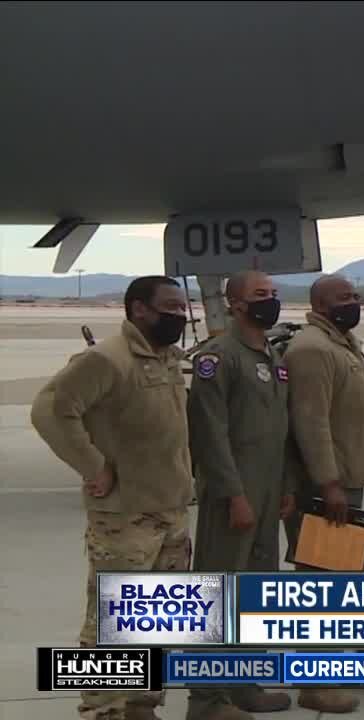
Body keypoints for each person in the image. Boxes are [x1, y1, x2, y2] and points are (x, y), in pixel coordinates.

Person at [30, 276, 193, 720]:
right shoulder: (107, 359)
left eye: (183, 306)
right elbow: (51, 409)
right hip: (125, 517)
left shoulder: (165, 358)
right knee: (113, 626)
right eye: (170, 307)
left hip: (170, 511)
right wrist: (92, 466)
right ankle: (102, 711)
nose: (180, 314)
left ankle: (142, 705)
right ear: (139, 309)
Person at [185, 271, 293, 720]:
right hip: (233, 495)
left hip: (268, 494)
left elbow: (279, 431)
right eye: (258, 296)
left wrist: (284, 489)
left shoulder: (272, 354)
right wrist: (234, 495)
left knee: (254, 592)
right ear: (234, 304)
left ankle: (244, 683)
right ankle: (206, 701)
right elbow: (210, 434)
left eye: (272, 294)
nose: (269, 302)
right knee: (217, 592)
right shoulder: (218, 357)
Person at [281, 275, 364, 714]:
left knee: (337, 584)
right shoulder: (313, 350)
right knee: (321, 587)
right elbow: (310, 422)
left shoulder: (341, 343)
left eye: (355, 296)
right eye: (343, 298)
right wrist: (329, 483)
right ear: (320, 303)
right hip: (326, 489)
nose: (352, 303)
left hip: (345, 481)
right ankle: (316, 684)